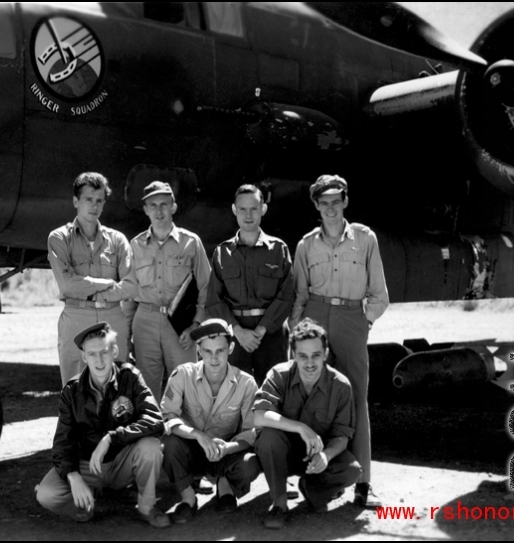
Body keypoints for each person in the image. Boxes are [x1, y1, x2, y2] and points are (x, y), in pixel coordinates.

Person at [289, 174, 389, 508]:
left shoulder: (365, 238)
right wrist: (297, 331)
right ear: (316, 206)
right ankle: (314, 478)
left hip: (350, 320)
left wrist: (363, 323)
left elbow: (379, 294)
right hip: (314, 317)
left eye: (336, 201)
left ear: (345, 202)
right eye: (324, 202)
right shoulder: (306, 244)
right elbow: (299, 295)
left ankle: (363, 484)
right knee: (310, 397)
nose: (330, 208)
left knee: (356, 399)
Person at [34, 322, 170, 528]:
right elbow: (63, 442)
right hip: (88, 464)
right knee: (46, 494)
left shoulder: (130, 377)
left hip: (122, 461)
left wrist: (112, 437)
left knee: (151, 447)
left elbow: (155, 420)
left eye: (104, 352)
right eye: (92, 354)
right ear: (84, 357)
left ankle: (147, 506)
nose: (99, 360)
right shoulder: (72, 390)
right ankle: (83, 507)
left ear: (114, 351)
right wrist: (73, 477)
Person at [253, 318, 362, 529]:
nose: (310, 363)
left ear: (326, 354)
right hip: (281, 455)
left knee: (352, 470)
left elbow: (342, 435)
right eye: (302, 356)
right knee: (268, 436)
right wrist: (301, 428)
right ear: (293, 355)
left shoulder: (340, 386)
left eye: (316, 355)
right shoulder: (279, 374)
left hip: (316, 458)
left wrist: (326, 455)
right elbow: (258, 416)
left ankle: (312, 489)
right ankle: (279, 503)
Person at [160, 318, 261, 523]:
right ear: (198, 350)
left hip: (225, 452)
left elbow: (252, 431)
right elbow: (167, 417)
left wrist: (229, 447)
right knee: (168, 444)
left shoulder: (246, 383)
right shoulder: (182, 375)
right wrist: (197, 435)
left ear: (231, 348)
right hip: (192, 450)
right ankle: (188, 497)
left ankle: (225, 487)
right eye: (207, 351)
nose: (214, 358)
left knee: (251, 463)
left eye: (220, 351)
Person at [48, 172, 135, 385]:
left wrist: (87, 287)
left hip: (112, 318)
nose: (94, 206)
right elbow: (67, 285)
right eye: (88, 199)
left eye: (99, 201)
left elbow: (131, 286)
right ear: (76, 201)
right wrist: (105, 284)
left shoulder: (118, 240)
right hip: (76, 316)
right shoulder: (59, 238)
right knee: (74, 389)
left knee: (115, 390)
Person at [128, 181, 211, 402]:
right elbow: (128, 295)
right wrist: (126, 335)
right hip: (145, 320)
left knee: (186, 384)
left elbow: (206, 287)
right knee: (146, 388)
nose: (159, 210)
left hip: (181, 324)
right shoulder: (135, 246)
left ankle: (184, 435)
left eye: (164, 204)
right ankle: (151, 433)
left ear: (173, 207)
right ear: (145, 209)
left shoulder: (191, 242)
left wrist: (196, 326)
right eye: (153, 205)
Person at [207, 184, 295, 386]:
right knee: (235, 395)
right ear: (234, 210)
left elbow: (287, 295)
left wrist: (262, 330)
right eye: (242, 209)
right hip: (236, 336)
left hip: (271, 335)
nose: (248, 215)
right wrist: (237, 331)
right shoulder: (222, 253)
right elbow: (214, 301)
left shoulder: (278, 250)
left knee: (274, 392)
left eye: (254, 208)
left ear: (263, 210)